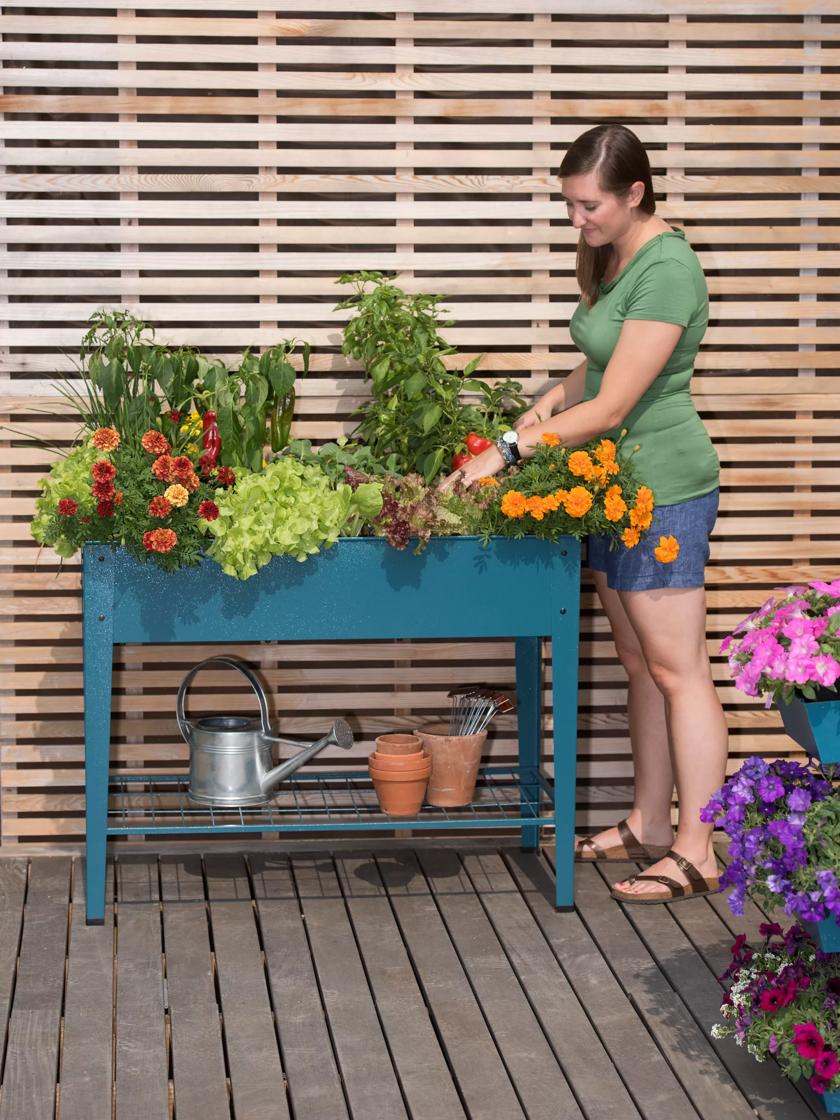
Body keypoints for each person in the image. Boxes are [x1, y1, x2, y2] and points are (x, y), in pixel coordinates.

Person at [440, 123, 727, 903]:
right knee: (640, 665)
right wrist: (540, 411)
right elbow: (596, 369)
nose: (577, 221)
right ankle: (649, 825)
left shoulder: (669, 270)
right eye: (569, 204)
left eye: (588, 205)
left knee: (680, 671)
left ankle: (699, 849)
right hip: (615, 488)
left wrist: (510, 448)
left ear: (635, 193)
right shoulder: (619, 254)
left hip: (663, 489)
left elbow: (618, 404)